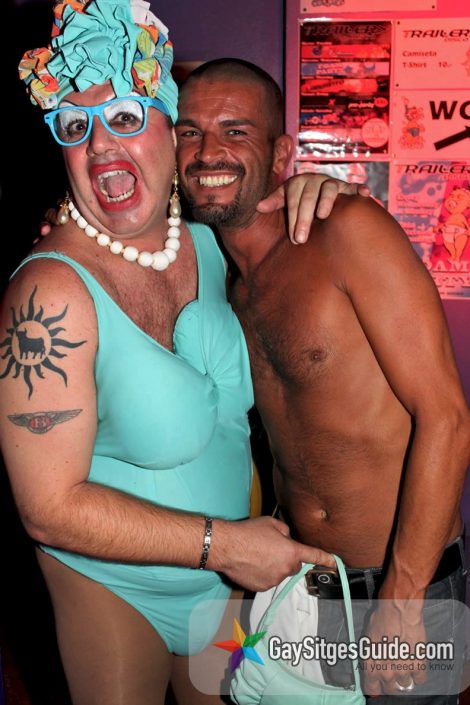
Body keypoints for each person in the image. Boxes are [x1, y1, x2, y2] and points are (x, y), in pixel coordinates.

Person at [0, 3, 365, 705]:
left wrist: (326, 190)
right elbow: (46, 506)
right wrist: (227, 545)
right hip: (115, 585)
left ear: (170, 131)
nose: (100, 145)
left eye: (126, 117)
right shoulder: (48, 295)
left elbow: (287, 209)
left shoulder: (207, 236)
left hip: (223, 583)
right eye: (74, 127)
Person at [174, 58, 470, 703]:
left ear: (282, 153)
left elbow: (446, 417)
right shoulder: (222, 282)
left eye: (235, 131)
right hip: (300, 582)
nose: (207, 151)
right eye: (189, 132)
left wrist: (403, 597)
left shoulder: (346, 232)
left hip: (400, 583)